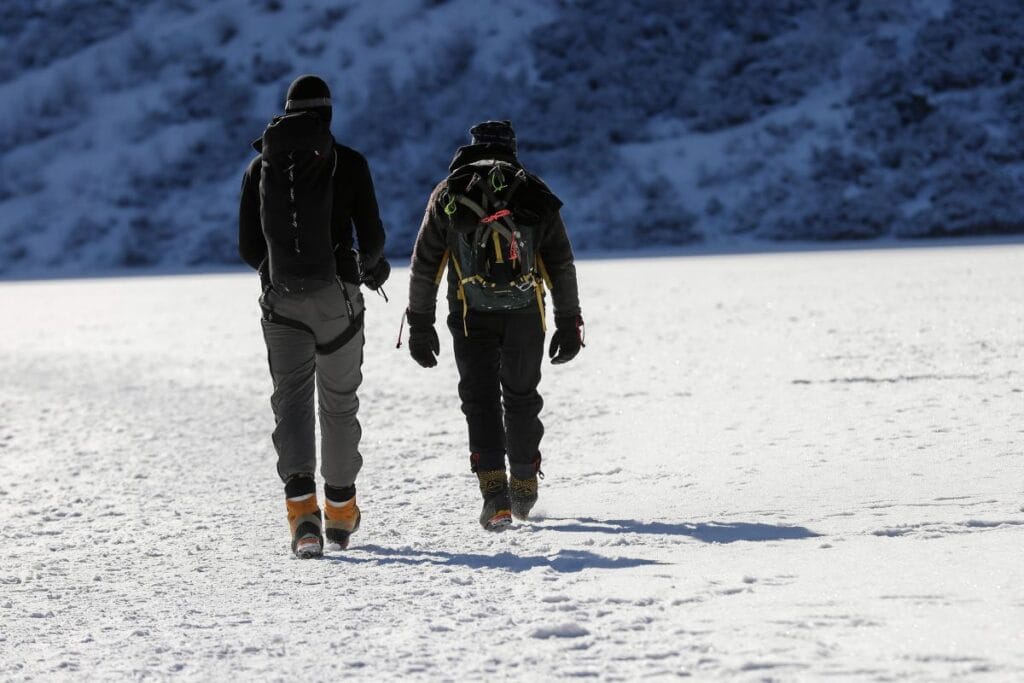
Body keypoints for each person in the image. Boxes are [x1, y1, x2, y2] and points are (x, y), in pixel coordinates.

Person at [404, 120, 584, 531]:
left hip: (470, 315)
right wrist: (568, 321)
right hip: (525, 313)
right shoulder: (532, 190)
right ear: (513, 148)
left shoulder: (449, 191)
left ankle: (495, 497)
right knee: (521, 397)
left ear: (472, 146)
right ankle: (523, 484)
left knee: (480, 400)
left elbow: (425, 265)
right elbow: (559, 262)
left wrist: (419, 323)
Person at [238, 74, 389, 557]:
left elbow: (247, 246)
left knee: (292, 405)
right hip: (336, 300)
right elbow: (374, 237)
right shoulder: (349, 163)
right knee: (338, 403)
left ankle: (303, 520)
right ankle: (341, 515)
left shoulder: (260, 167)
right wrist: (369, 267)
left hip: (281, 303)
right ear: (328, 113)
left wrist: (277, 274)